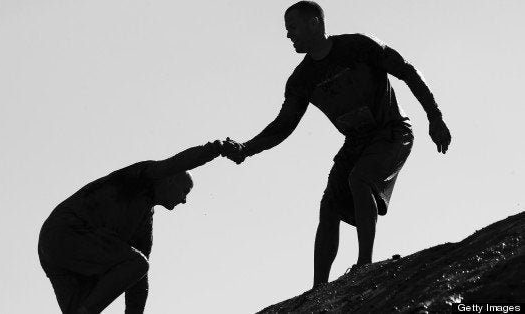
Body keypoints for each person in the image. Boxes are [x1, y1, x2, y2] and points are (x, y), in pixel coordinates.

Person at [223, 1, 452, 287]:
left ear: (315, 22)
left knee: (360, 179)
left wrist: (435, 117)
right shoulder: (301, 79)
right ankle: (319, 287)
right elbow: (283, 126)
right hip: (356, 141)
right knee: (329, 204)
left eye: (292, 27)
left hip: (392, 131)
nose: (288, 36)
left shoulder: (359, 46)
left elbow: (406, 70)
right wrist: (246, 149)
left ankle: (365, 264)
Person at [38, 140, 230, 314]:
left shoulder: (143, 224)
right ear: (170, 180)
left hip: (52, 246)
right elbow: (178, 163)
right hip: (67, 231)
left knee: (85, 303)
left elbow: (137, 281)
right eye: (184, 191)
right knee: (135, 263)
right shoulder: (143, 177)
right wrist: (218, 148)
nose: (184, 200)